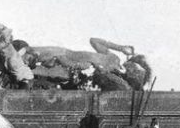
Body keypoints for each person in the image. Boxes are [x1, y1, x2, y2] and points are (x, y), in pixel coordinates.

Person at [22, 38, 152, 91]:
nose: (132, 67)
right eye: (134, 65)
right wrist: (120, 47)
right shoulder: (114, 58)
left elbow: (96, 75)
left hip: (65, 73)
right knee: (27, 52)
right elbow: (94, 41)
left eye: (135, 70)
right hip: (63, 54)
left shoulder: (116, 80)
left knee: (26, 70)